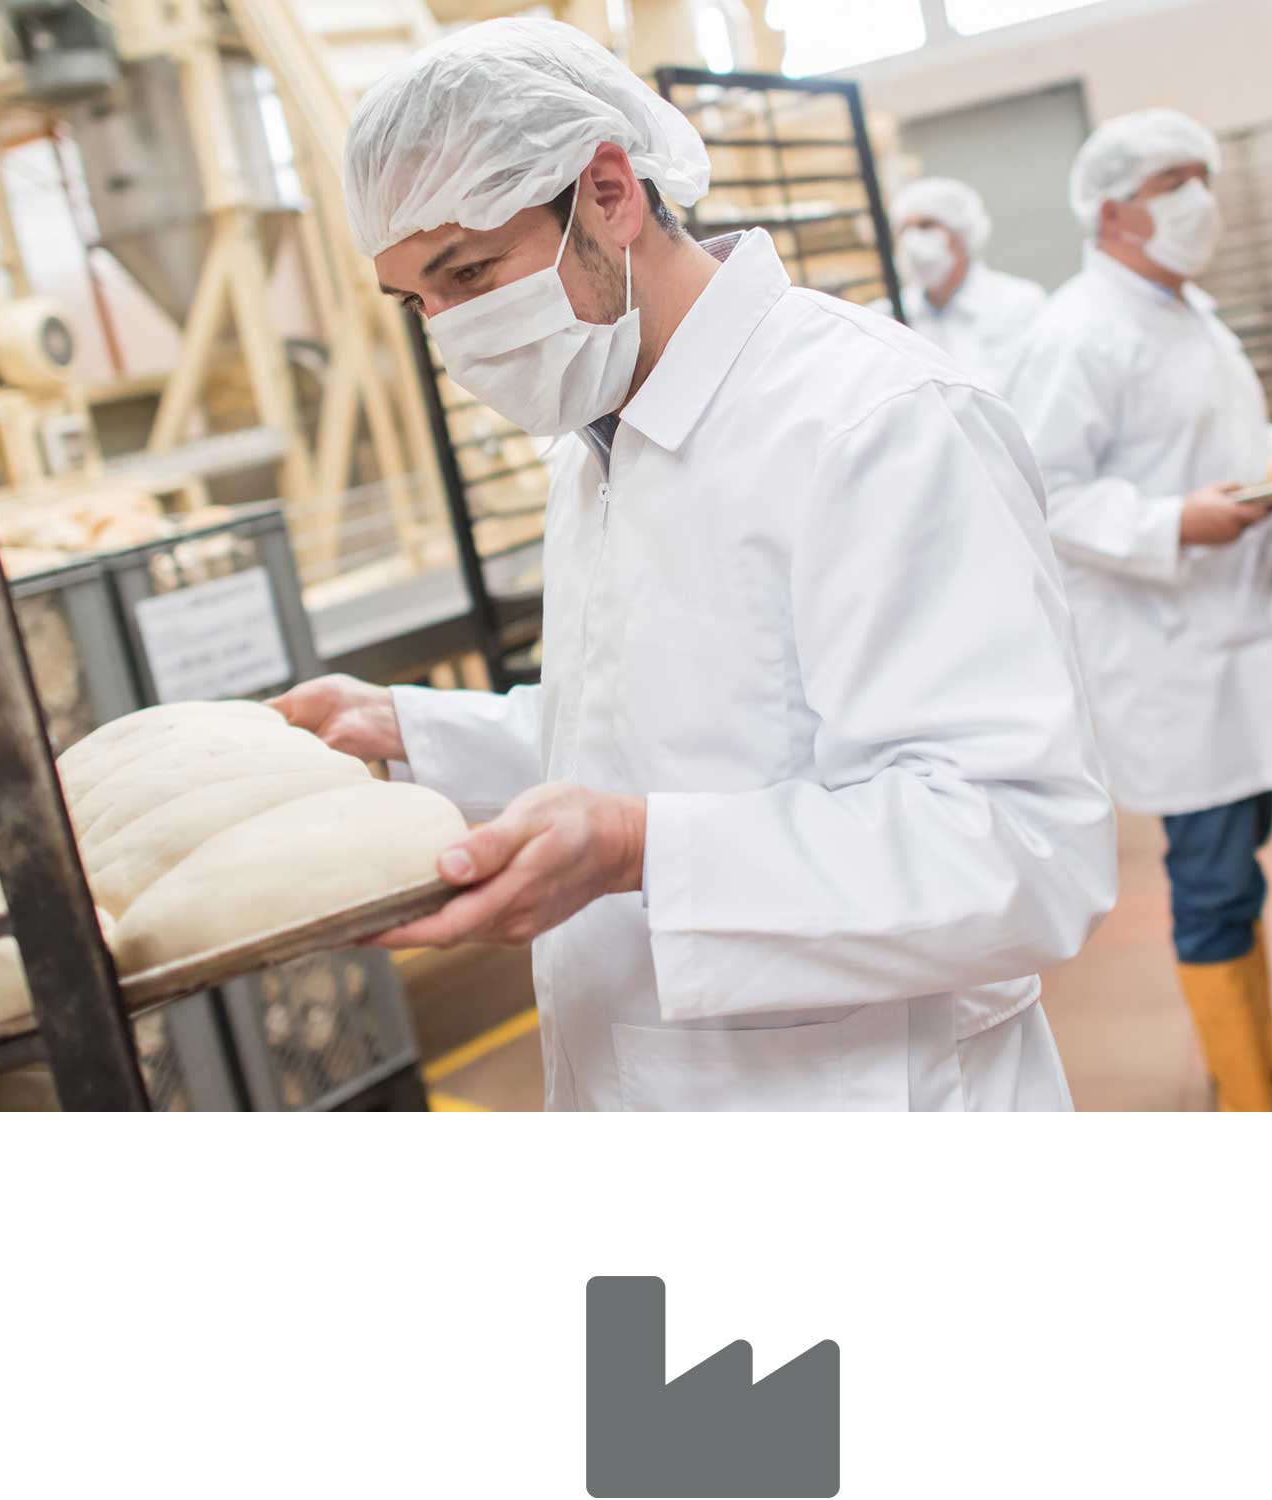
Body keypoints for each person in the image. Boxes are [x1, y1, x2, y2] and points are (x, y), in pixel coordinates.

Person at [272, 19, 1117, 1112]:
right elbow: (668, 730)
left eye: (471, 272)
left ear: (610, 193)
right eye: (418, 303)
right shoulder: (599, 438)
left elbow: (1021, 849)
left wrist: (637, 850)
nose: (452, 333)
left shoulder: (873, 422)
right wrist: (413, 734)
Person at [1004, 107, 1272, 1112]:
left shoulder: (1183, 310)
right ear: (1115, 210)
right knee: (1211, 876)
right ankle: (1243, 1088)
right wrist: (1171, 522)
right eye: (1178, 183)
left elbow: (1223, 447)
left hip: (1234, 632)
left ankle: (1263, 1037)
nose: (1200, 200)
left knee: (1240, 856)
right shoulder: (1081, 332)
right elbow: (1044, 492)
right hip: (1168, 648)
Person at [873, 177, 1045, 387]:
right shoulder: (885, 317)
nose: (912, 240)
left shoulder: (1020, 304)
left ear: (962, 234)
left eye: (926, 225)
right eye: (904, 230)